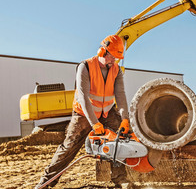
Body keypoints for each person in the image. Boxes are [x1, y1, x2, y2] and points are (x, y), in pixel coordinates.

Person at [35, 35, 131, 188]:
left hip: (107, 112)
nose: (114, 61)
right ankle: (46, 182)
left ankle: (120, 180)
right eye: (112, 57)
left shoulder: (116, 70)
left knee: (119, 140)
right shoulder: (85, 67)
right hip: (84, 113)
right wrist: (94, 123)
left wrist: (125, 118)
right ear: (102, 52)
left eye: (117, 58)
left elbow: (120, 95)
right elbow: (83, 97)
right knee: (69, 146)